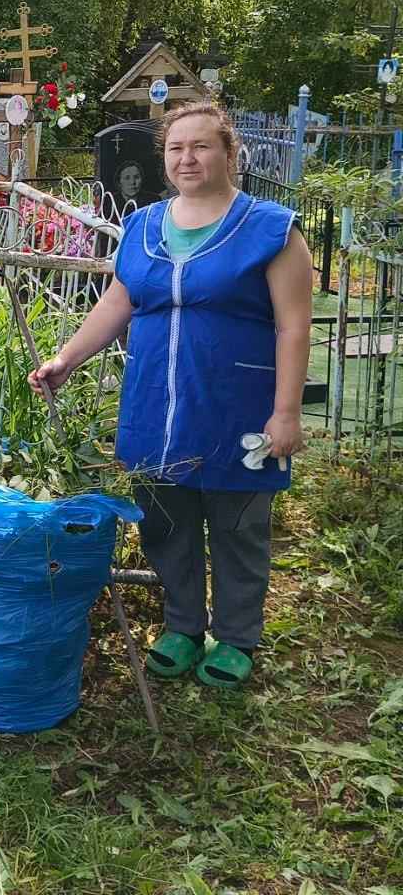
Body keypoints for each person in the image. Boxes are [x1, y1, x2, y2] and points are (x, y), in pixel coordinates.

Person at [30, 102, 312, 689]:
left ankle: (236, 637)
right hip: (156, 402)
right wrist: (67, 359)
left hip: (238, 403)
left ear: (231, 153)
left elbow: (293, 326)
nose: (188, 158)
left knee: (237, 525)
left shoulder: (272, 230)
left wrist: (286, 411)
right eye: (176, 148)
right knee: (165, 521)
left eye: (202, 146)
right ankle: (182, 625)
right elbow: (119, 301)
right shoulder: (144, 226)